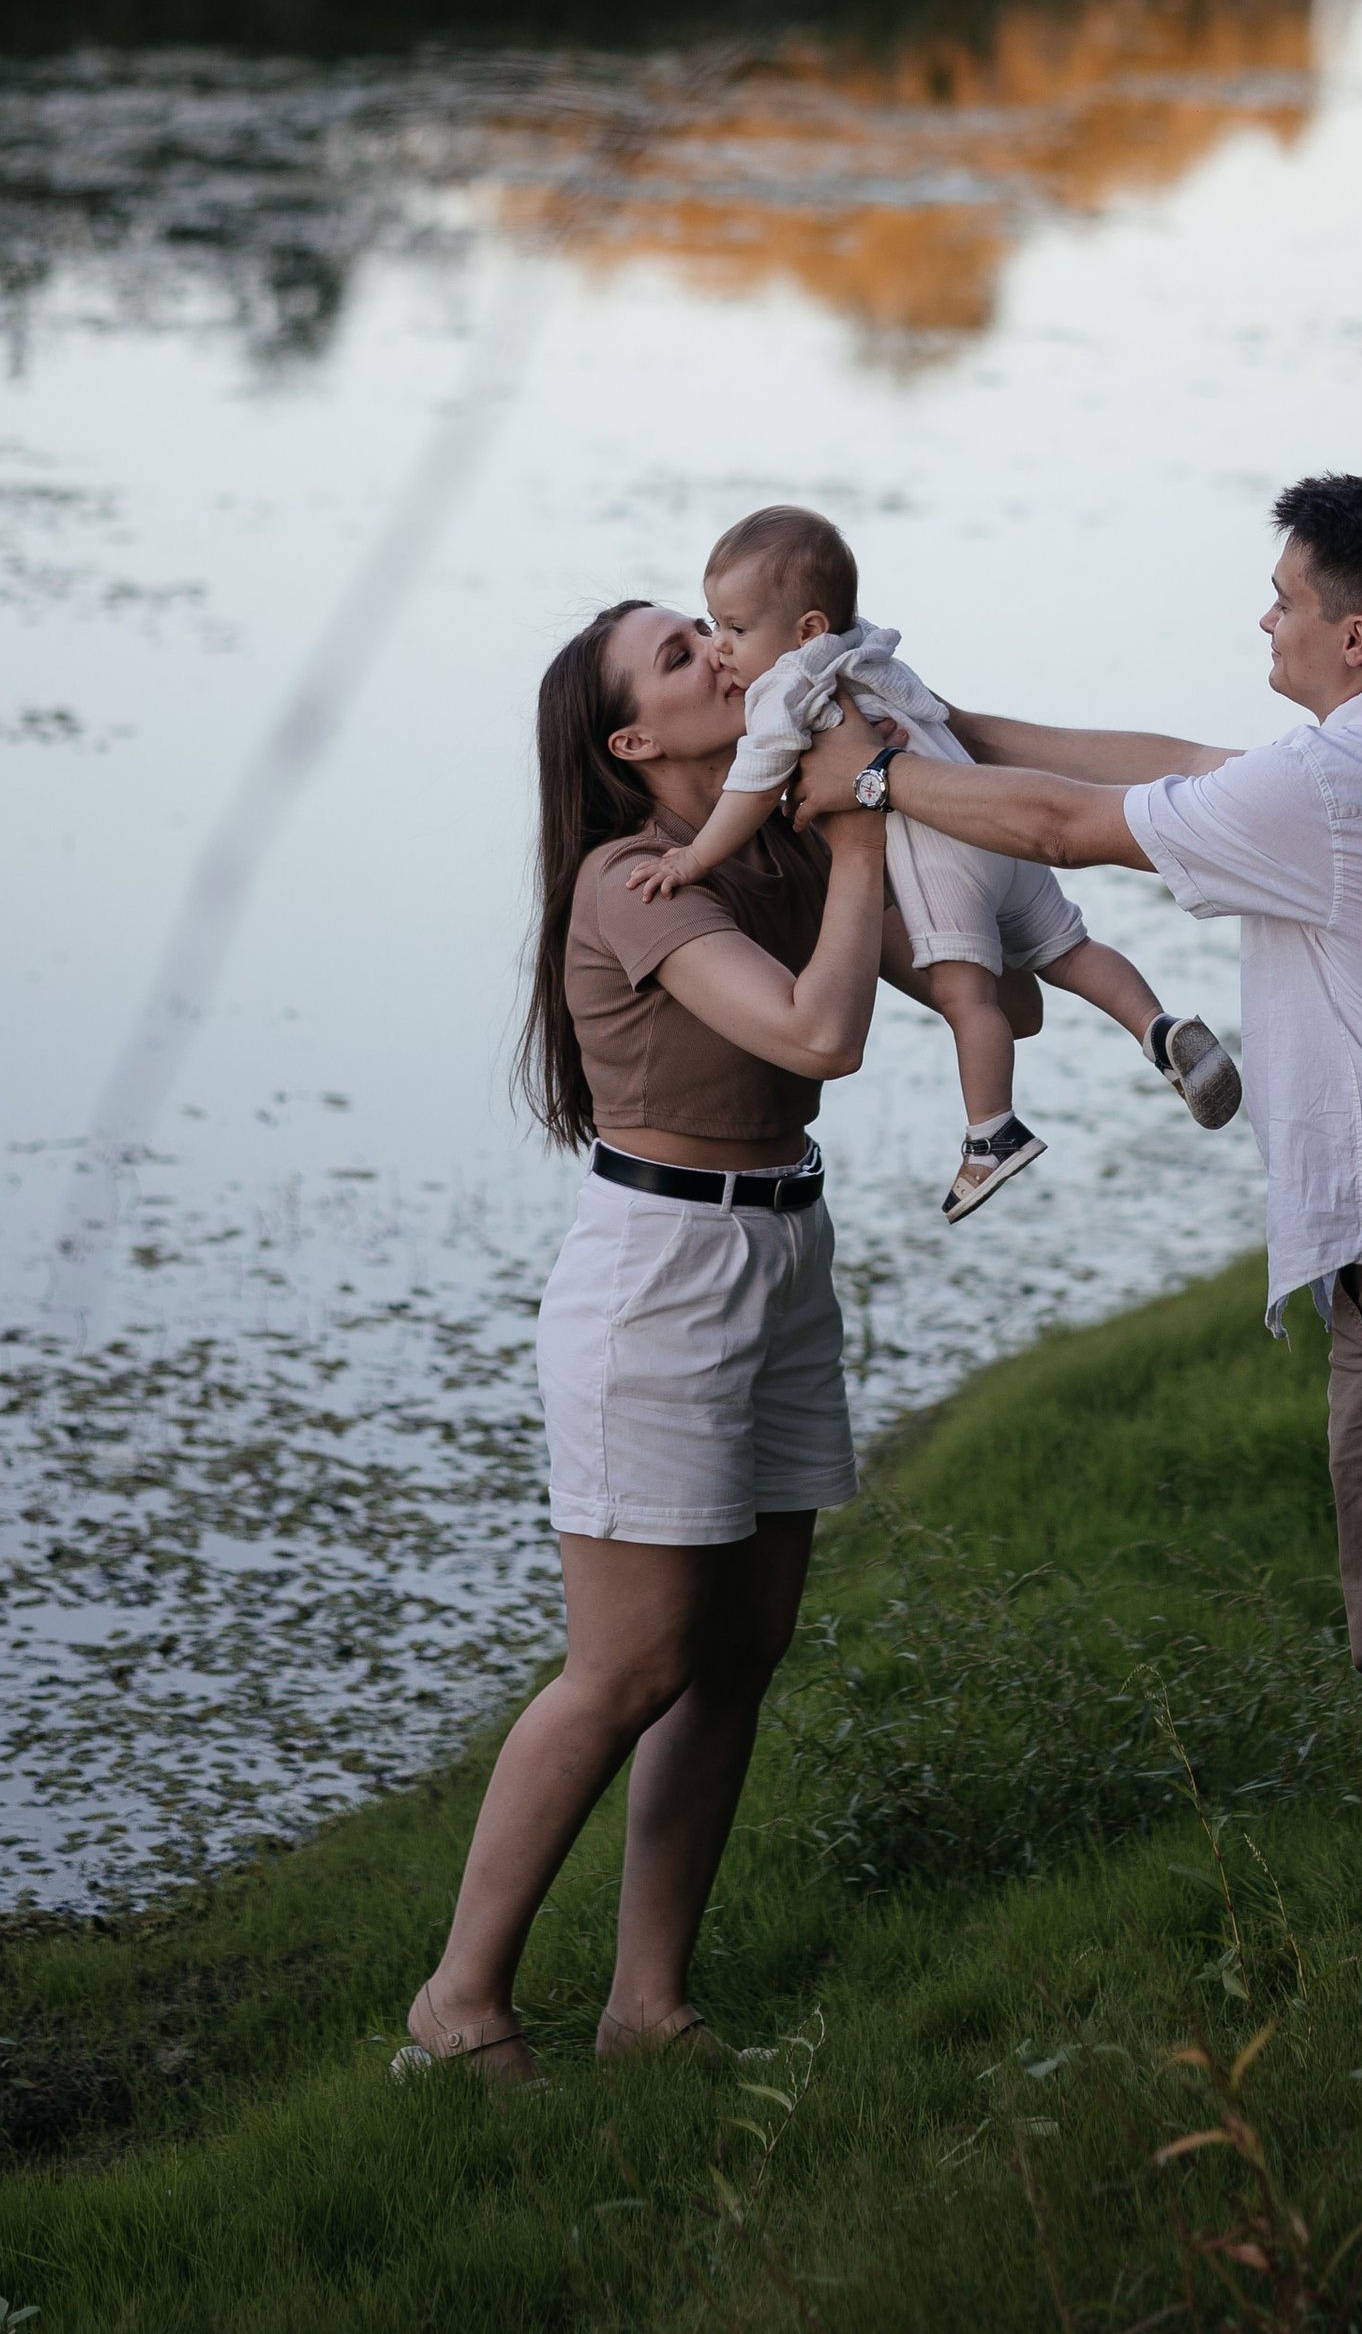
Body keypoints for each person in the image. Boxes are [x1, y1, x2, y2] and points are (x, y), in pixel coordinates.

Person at [790, 472, 1362, 1952]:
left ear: (1356, 636)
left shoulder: (1332, 795)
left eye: (1286, 597)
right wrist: (943, 729)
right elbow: (1172, 766)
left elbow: (1067, 827)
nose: (1265, 616)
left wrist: (873, 782)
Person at [404, 592, 1024, 2082]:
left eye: (706, 629)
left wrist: (901, 827)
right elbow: (820, 1036)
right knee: (630, 1663)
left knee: (739, 1652)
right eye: (679, 656)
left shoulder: (778, 839)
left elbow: (976, 983)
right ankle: (458, 2006)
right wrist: (862, 831)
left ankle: (648, 2009)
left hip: (786, 1247)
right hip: (661, 1277)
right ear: (632, 743)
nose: (719, 652)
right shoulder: (633, 877)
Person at [625, 503, 1241, 1220]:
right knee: (1072, 951)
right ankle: (1157, 1027)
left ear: (806, 630)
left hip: (938, 848)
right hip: (984, 818)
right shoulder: (862, 649)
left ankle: (992, 1131)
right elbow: (940, 716)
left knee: (966, 999)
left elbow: (753, 786)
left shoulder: (784, 692)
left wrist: (695, 857)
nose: (721, 649)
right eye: (711, 627)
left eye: (730, 629)